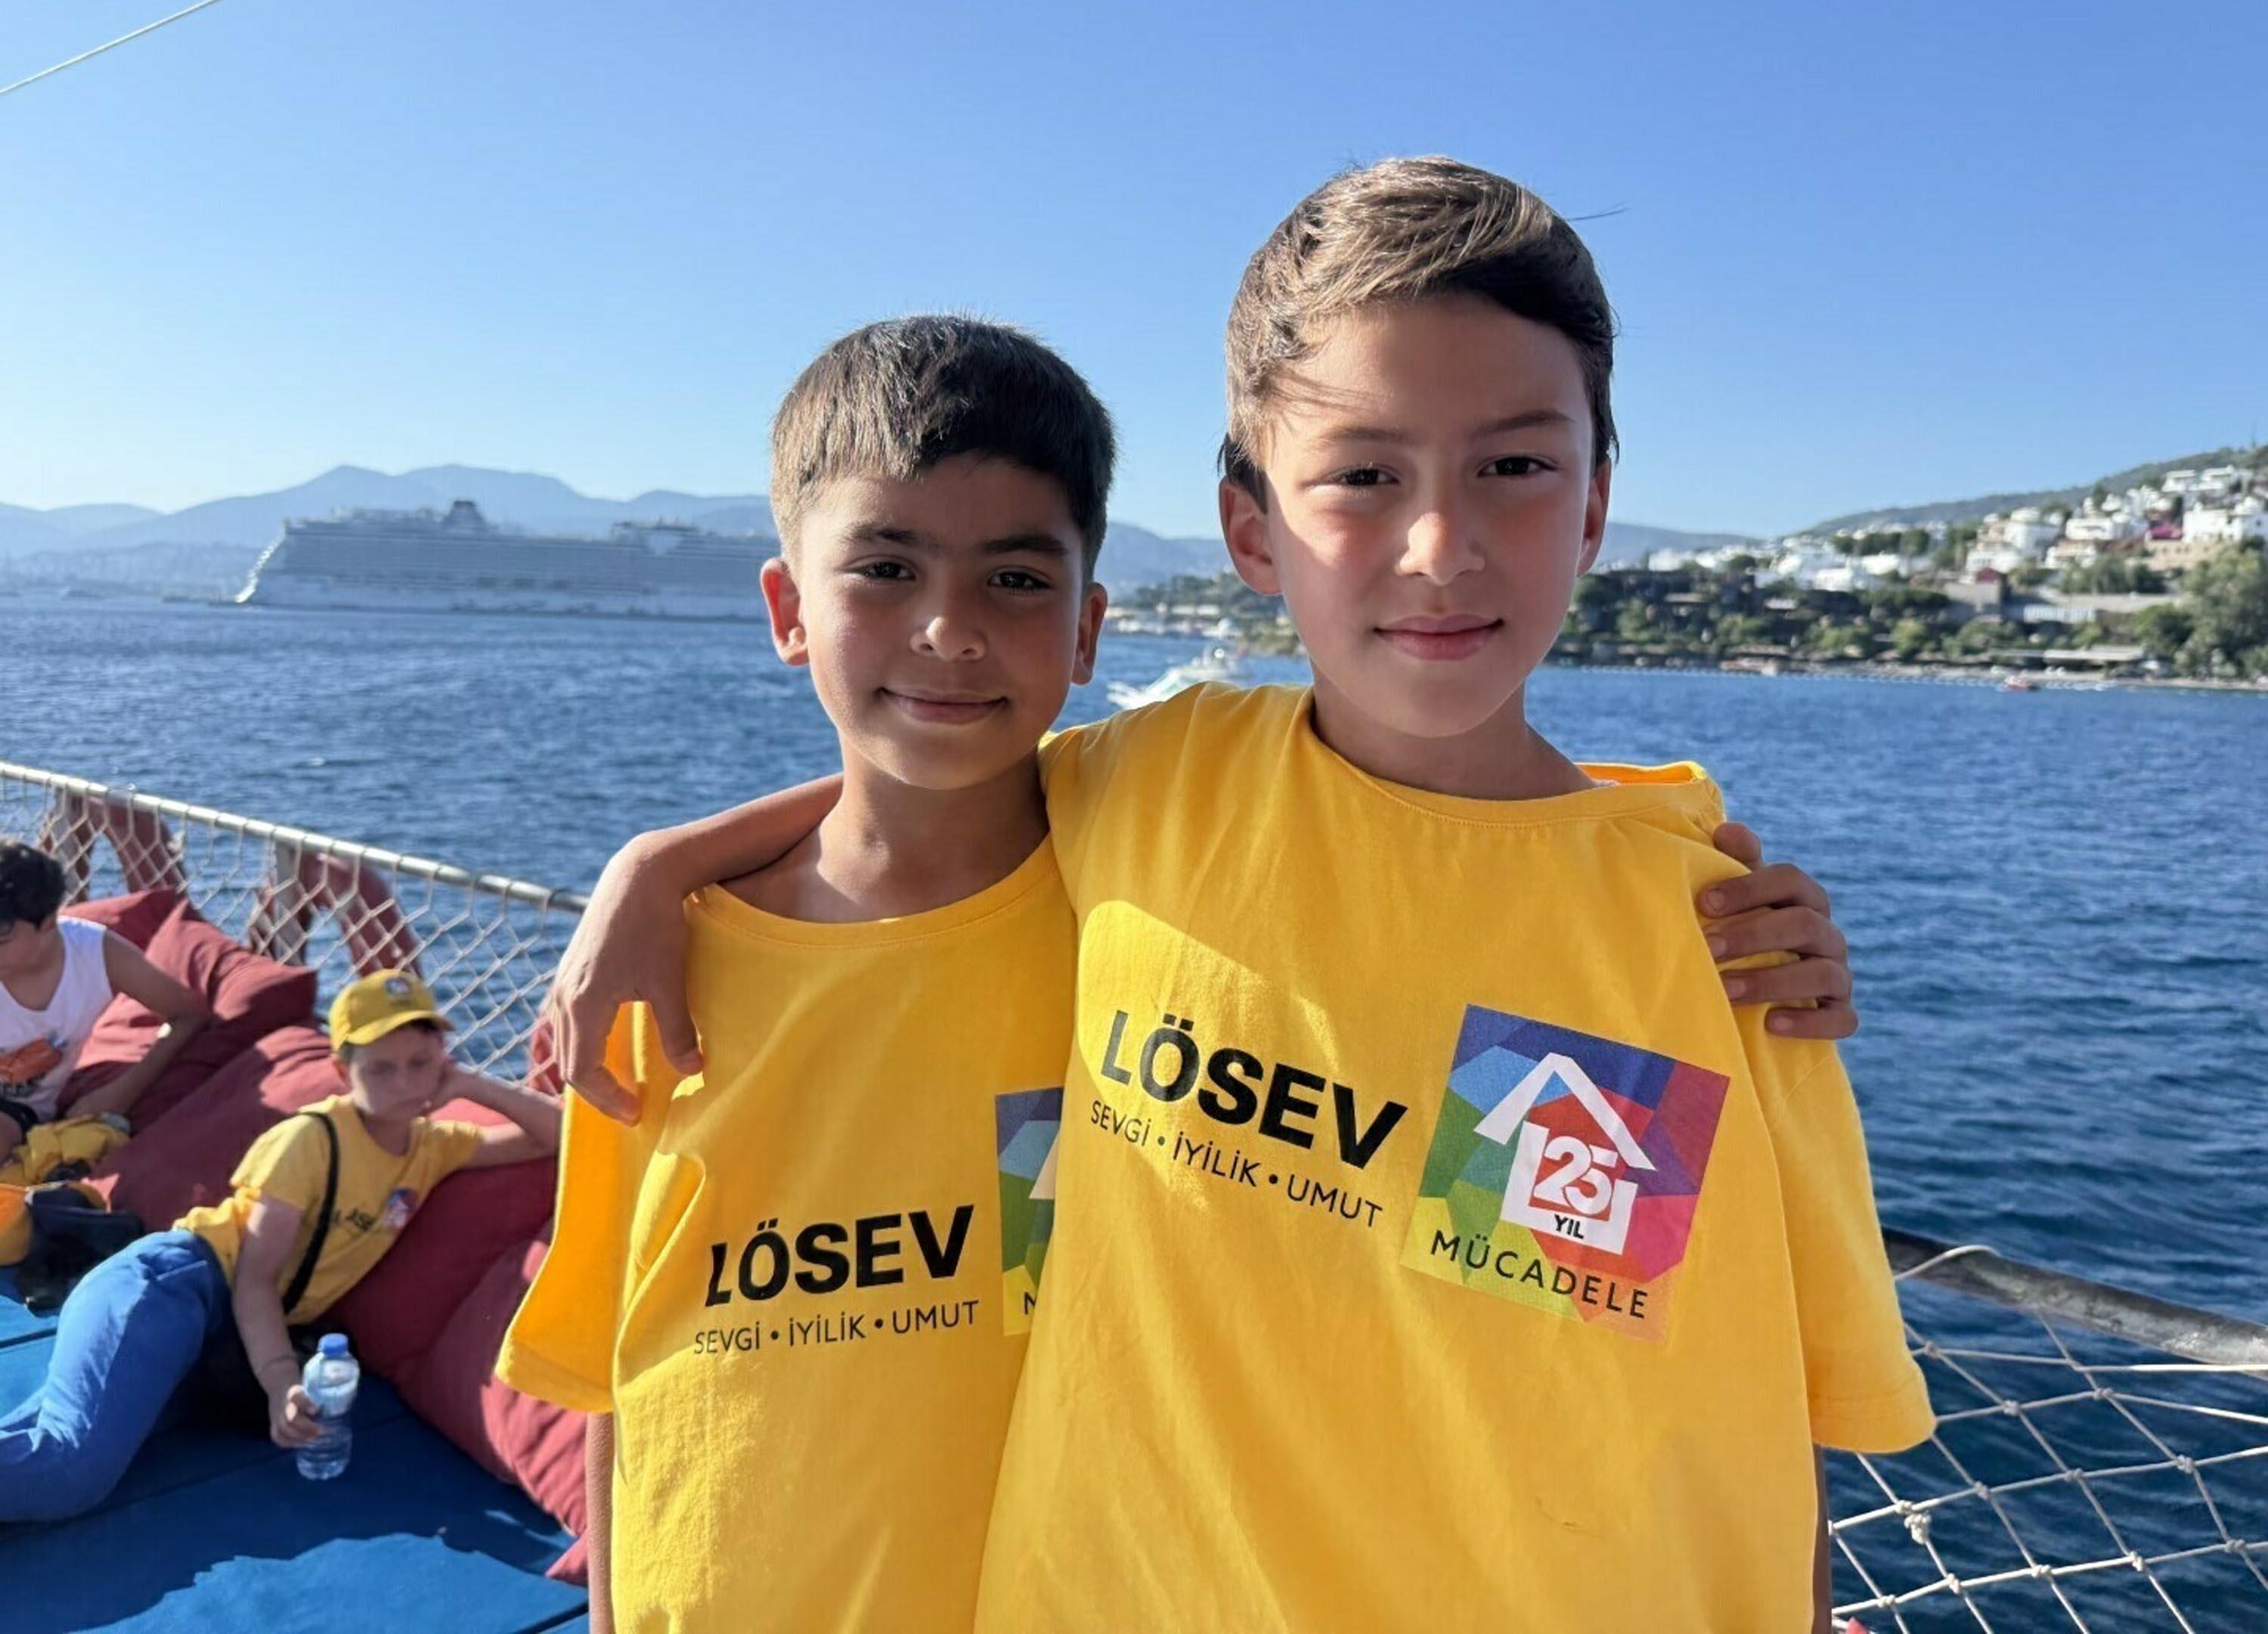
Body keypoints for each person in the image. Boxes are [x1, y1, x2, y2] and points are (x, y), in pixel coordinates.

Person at [540, 159, 1924, 1632]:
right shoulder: (1163, 788)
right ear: (1253, 529)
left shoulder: (1717, 944)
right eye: (1364, 475)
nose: (1441, 546)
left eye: (1516, 468)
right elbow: (930, 777)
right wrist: (652, 869)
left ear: (1595, 509)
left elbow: (1779, 1419)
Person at [498, 317, 1111, 1633]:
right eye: (885, 568)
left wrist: (658, 852)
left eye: (1016, 580)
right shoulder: (668, 964)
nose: (948, 630)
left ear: (1088, 629)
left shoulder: (1140, 917)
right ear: (788, 611)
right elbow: (623, 1358)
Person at [0, 968, 561, 1521]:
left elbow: (559, 1135)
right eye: (381, 1068)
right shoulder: (309, 1143)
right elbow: (254, 1277)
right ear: (343, 1071)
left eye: (421, 1063)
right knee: (71, 1468)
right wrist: (280, 1383)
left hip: (213, 1331)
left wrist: (473, 1084)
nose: (406, 1084)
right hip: (173, 1289)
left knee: (47, 1437)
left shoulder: (432, 1147)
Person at [0, 842, 210, 1152]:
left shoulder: (95, 954)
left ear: (47, 923)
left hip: (17, 1113)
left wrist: (118, 1094)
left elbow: (188, 1015)